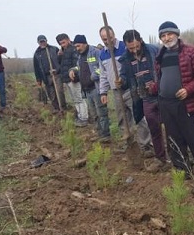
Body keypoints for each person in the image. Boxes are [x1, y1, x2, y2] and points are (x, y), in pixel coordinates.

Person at [150, 21, 194, 184]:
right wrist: (154, 88)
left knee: (193, 136)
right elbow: (162, 78)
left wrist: (188, 89)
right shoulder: (160, 56)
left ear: (177, 34)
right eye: (163, 36)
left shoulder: (191, 52)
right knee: (173, 138)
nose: (166, 38)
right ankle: (181, 169)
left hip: (185, 103)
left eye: (169, 34)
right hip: (165, 103)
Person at [118, 29, 169, 172]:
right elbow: (125, 79)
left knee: (171, 127)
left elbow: (165, 70)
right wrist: (121, 81)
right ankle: (161, 159)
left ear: (140, 40)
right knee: (154, 129)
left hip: (162, 95)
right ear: (126, 46)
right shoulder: (125, 59)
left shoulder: (155, 51)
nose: (134, 50)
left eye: (136, 47)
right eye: (130, 48)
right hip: (145, 98)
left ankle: (177, 155)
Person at [98, 26, 153, 156]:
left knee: (139, 117)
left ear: (114, 35)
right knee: (122, 119)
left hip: (131, 89)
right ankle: (130, 144)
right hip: (116, 91)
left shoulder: (125, 47)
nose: (107, 41)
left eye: (109, 38)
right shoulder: (102, 54)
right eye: (104, 39)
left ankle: (146, 145)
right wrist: (103, 92)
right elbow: (103, 75)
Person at [70, 34, 110, 141]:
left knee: (101, 112)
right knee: (94, 114)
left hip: (96, 88)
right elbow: (79, 67)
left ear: (84, 43)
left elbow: (102, 68)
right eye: (76, 47)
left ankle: (105, 135)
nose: (77, 48)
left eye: (78, 46)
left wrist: (94, 76)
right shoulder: (79, 56)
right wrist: (73, 70)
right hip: (86, 90)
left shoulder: (96, 52)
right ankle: (99, 133)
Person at [56, 33, 88, 126]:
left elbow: (76, 64)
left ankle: (84, 118)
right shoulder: (63, 51)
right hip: (67, 79)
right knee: (75, 99)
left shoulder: (74, 49)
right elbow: (61, 64)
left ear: (68, 39)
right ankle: (80, 116)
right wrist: (59, 55)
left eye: (64, 42)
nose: (62, 45)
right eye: (60, 43)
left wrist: (75, 76)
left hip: (74, 79)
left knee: (79, 98)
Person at [33, 35, 64, 111]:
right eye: (41, 42)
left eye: (44, 41)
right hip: (46, 76)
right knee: (51, 94)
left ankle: (63, 107)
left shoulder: (54, 49)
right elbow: (36, 68)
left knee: (59, 92)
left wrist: (57, 69)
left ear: (46, 41)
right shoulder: (37, 54)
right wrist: (38, 80)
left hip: (56, 74)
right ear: (38, 43)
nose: (43, 43)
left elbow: (61, 61)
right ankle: (56, 108)